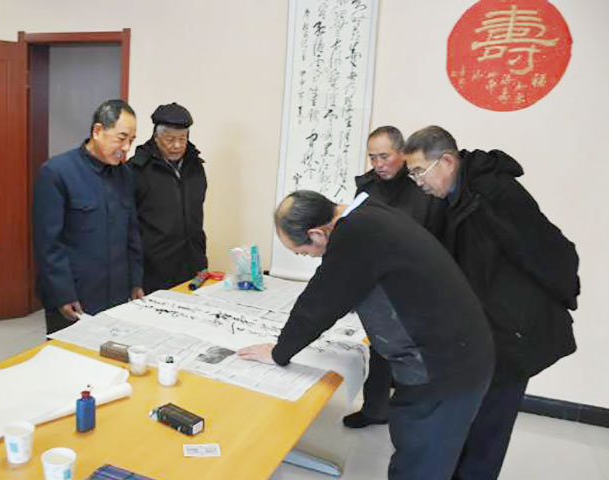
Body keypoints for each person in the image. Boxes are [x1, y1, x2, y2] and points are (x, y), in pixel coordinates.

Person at [239, 190, 494, 479]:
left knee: (420, 462)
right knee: (428, 452)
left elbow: (318, 304)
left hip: (444, 369)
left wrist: (278, 353)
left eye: (303, 252)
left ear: (317, 234)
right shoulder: (370, 215)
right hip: (459, 353)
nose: (309, 257)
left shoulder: (355, 235)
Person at [403, 126, 579, 479]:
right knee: (467, 419)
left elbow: (545, 251)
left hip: (513, 330)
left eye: (419, 171)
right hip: (481, 330)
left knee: (489, 429)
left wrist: (537, 308)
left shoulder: (493, 194)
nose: (417, 182)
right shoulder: (453, 197)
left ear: (447, 161)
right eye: (412, 174)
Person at [345, 125, 446, 429]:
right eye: (373, 157)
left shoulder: (422, 186)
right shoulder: (367, 188)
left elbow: (437, 235)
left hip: (418, 283)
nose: (378, 164)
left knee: (414, 356)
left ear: (402, 153)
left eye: (385, 156)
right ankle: (375, 409)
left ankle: (413, 419)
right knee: (380, 348)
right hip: (379, 284)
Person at [33, 99, 144, 334]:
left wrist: (135, 281)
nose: (126, 148)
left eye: (132, 140)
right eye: (121, 138)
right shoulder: (57, 172)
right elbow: (48, 244)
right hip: (75, 296)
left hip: (117, 293)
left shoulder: (125, 175)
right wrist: (62, 294)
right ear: (98, 131)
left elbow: (132, 233)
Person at [130, 103, 207, 293]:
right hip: (153, 272)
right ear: (156, 137)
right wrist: (134, 279)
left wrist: (201, 262)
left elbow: (197, 219)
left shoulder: (195, 167)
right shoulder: (137, 170)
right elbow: (128, 228)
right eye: (170, 139)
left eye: (182, 139)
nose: (177, 146)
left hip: (192, 268)